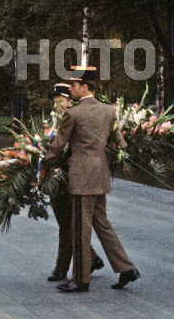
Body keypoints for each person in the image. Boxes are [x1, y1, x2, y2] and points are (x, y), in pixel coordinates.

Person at [42, 67, 139, 292]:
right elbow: (119, 141)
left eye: (74, 86)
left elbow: (57, 146)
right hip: (100, 176)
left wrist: (42, 165)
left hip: (81, 178)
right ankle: (127, 268)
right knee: (103, 225)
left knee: (80, 229)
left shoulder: (73, 113)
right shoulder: (108, 110)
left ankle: (80, 279)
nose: (71, 89)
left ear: (84, 86)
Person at [45, 82, 106, 282]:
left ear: (71, 101)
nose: (57, 106)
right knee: (66, 222)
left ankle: (63, 268)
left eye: (60, 101)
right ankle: (91, 259)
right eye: (55, 102)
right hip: (58, 177)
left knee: (69, 223)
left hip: (75, 177)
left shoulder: (77, 117)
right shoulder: (54, 120)